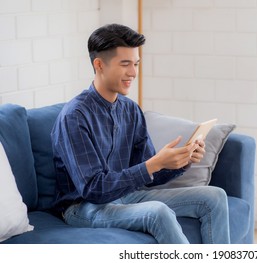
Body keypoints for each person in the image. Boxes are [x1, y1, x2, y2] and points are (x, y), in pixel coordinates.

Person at [50, 23, 230, 244]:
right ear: (99, 65)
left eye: (135, 64)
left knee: (215, 197)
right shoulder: (75, 116)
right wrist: (153, 164)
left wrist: (180, 160)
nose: (133, 73)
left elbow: (148, 173)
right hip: (84, 207)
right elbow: (93, 189)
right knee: (157, 212)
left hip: (126, 196)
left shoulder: (130, 110)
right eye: (125, 64)